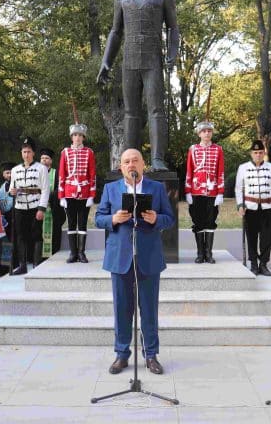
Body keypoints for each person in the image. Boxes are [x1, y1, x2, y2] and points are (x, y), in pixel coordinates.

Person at [97, 0, 180, 171]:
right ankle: (129, 161)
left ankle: (157, 159)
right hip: (130, 60)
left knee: (156, 110)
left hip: (153, 60)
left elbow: (173, 28)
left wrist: (173, 54)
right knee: (131, 112)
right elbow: (115, 32)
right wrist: (106, 61)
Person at [95, 149, 175, 375]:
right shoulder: (110, 189)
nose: (131, 164)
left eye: (135, 161)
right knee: (122, 308)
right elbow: (98, 218)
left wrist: (156, 219)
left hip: (148, 257)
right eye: (126, 161)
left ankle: (151, 355)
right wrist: (113, 218)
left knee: (149, 309)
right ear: (121, 167)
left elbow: (169, 219)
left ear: (143, 165)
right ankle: (121, 354)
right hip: (120, 257)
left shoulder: (157, 189)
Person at [234, 140, 271, 276]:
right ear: (251, 153)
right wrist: (240, 205)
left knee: (267, 238)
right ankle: (254, 264)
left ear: (264, 153)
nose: (258, 155)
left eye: (261, 152)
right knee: (252, 237)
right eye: (255, 153)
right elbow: (238, 189)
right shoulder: (242, 168)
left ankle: (263, 265)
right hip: (250, 208)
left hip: (267, 207)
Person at [184, 119, 224, 264]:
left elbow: (220, 172)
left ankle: (209, 253)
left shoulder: (218, 149)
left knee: (210, 221)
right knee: (198, 222)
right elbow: (189, 171)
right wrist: (188, 191)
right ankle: (200, 253)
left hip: (212, 192)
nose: (207, 133)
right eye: (204, 131)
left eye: (209, 131)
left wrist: (220, 192)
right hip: (196, 191)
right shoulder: (193, 149)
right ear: (199, 133)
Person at [9, 138, 50, 274]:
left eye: (29, 151)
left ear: (33, 153)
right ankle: (22, 265)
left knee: (36, 235)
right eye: (24, 151)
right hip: (20, 207)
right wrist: (12, 192)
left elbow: (45, 189)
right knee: (21, 236)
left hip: (35, 206)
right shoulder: (15, 170)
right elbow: (11, 188)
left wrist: (41, 208)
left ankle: (37, 263)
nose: (26, 154)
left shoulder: (41, 168)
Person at [58, 121, 96, 263]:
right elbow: (62, 174)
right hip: (69, 192)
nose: (77, 137)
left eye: (80, 135)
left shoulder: (89, 152)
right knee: (71, 223)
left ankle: (81, 253)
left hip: (84, 192)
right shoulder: (65, 152)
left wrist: (92, 195)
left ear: (83, 137)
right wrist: (61, 195)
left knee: (83, 223)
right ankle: (73, 253)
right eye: (75, 135)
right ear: (71, 137)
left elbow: (92, 174)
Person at [39, 148, 65, 258]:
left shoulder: (56, 173)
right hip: (39, 209)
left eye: (47, 158)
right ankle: (39, 256)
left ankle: (54, 254)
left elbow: (60, 189)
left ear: (51, 161)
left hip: (53, 209)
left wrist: (48, 196)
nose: (44, 160)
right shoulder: (36, 173)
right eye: (42, 158)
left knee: (54, 232)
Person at [0, 161, 15, 273]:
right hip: (7, 218)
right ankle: (7, 266)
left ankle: (18, 263)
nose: (9, 175)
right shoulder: (2, 187)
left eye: (11, 172)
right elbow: (1, 204)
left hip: (18, 215)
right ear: (3, 174)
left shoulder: (19, 184)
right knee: (6, 242)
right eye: (7, 173)